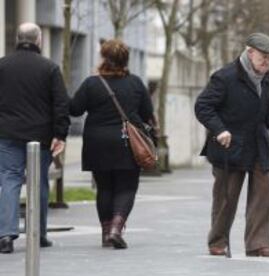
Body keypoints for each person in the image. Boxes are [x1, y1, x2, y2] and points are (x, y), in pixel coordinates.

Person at [195, 33, 269, 257]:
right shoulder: (225, 77)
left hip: (258, 145)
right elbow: (203, 106)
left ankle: (258, 244)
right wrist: (219, 130)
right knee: (226, 198)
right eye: (263, 56)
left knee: (263, 195)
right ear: (249, 52)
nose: (266, 62)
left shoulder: (265, 78)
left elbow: (266, 108)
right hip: (230, 146)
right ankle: (217, 241)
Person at [70, 39, 154, 249]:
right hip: (127, 142)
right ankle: (116, 229)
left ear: (104, 58)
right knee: (126, 187)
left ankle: (106, 232)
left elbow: (75, 109)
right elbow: (147, 114)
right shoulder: (135, 83)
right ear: (126, 60)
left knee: (104, 187)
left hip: (96, 142)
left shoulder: (92, 83)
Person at [0, 23, 70, 253]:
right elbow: (61, 103)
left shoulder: (3, 66)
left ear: (18, 39)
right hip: (41, 136)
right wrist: (60, 134)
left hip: (7, 134)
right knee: (38, 183)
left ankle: (6, 235)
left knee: (9, 181)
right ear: (39, 40)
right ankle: (38, 233)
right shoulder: (49, 68)